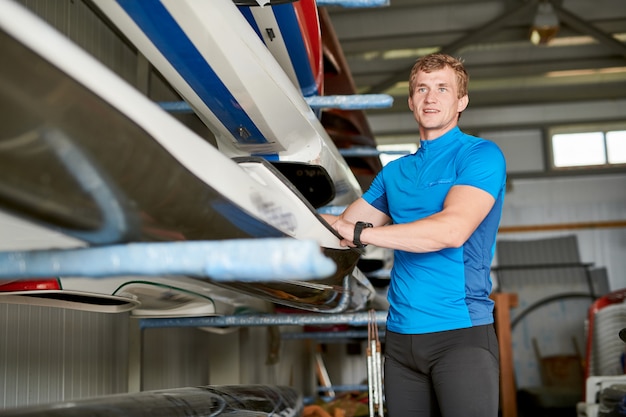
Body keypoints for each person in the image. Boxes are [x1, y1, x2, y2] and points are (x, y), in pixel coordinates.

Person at [322, 53, 507, 417]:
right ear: (411, 101)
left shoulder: (479, 155)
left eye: (442, 88)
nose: (430, 97)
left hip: (460, 335)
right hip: (402, 340)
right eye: (421, 89)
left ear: (461, 101)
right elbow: (342, 230)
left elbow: (451, 231)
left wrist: (360, 232)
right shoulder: (396, 173)